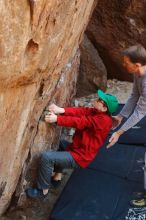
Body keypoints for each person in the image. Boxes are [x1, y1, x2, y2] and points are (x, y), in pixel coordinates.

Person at [26, 90, 118, 199]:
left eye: (100, 100)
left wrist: (57, 119)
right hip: (77, 148)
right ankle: (57, 177)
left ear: (104, 108)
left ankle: (43, 191)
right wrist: (61, 110)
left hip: (80, 156)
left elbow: (81, 122)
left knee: (46, 158)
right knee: (60, 144)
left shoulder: (103, 120)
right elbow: (81, 111)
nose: (96, 99)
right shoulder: (96, 112)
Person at [107, 44, 146, 207]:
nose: (123, 65)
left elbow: (140, 111)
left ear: (137, 64)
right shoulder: (138, 75)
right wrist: (120, 116)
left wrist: (120, 132)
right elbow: (134, 96)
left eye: (126, 62)